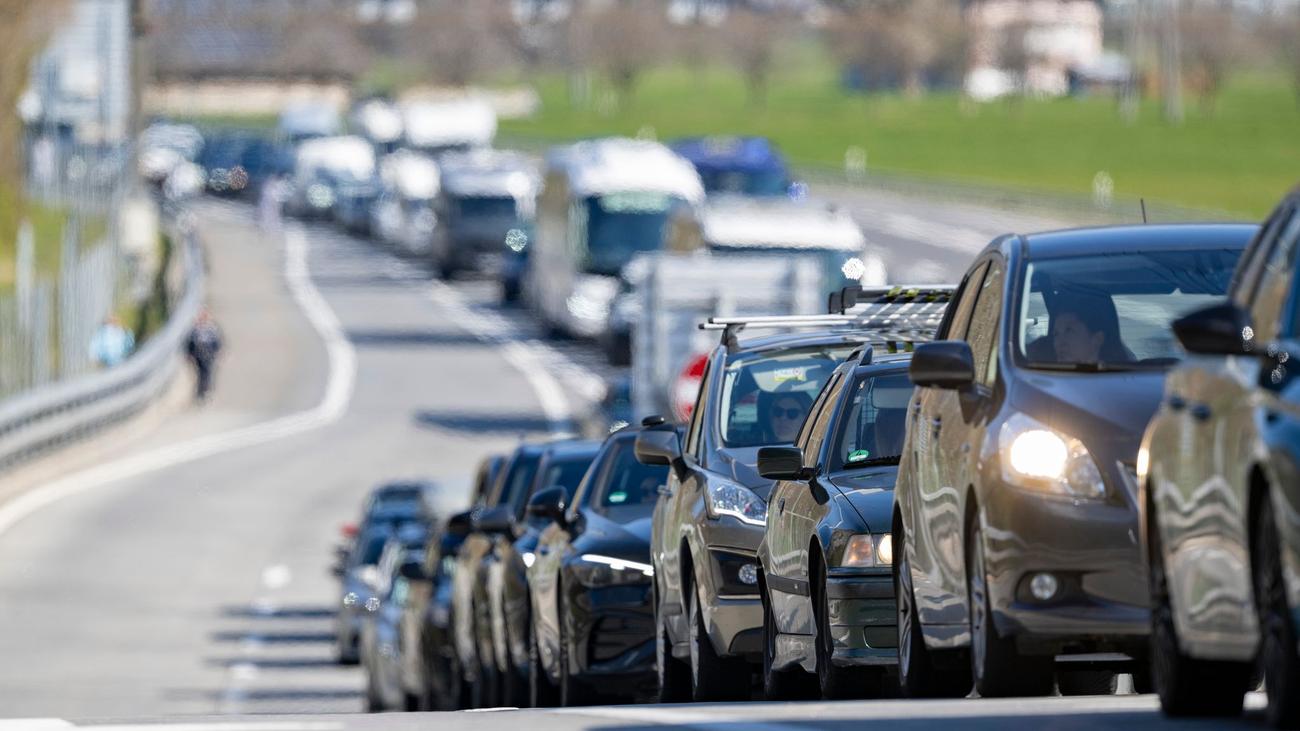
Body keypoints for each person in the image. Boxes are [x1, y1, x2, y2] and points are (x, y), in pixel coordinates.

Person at [186, 308, 223, 401]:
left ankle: (206, 391)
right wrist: (189, 354)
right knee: (200, 374)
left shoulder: (211, 329)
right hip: (198, 355)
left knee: (207, 373)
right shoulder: (195, 330)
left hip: (209, 355)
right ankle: (200, 392)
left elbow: (217, 342)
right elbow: (190, 343)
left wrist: (219, 352)